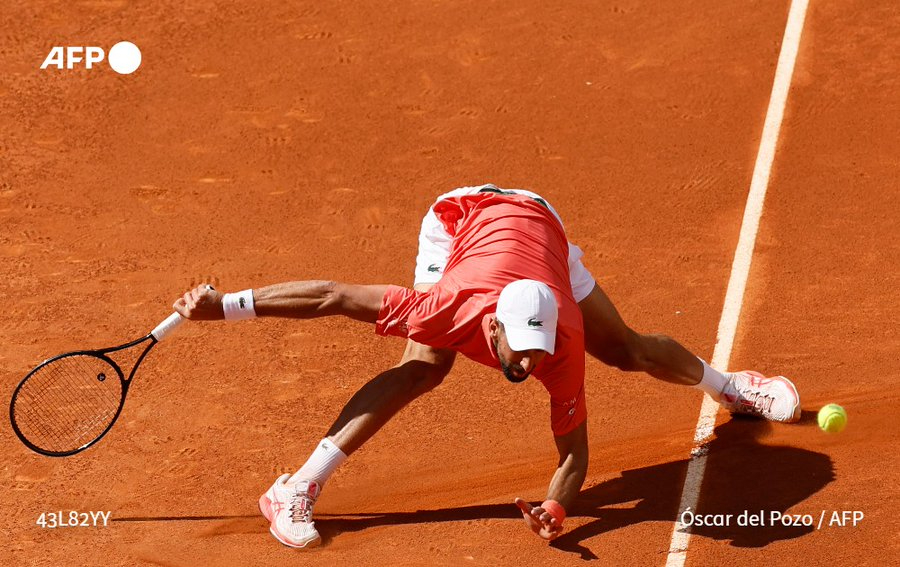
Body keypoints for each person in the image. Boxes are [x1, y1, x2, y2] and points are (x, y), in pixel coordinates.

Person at [174, 184, 801, 549]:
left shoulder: (560, 342)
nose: (527, 362)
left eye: (539, 347)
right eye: (518, 347)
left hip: (538, 225)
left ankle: (735, 388)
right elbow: (334, 295)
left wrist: (556, 511)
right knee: (424, 366)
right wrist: (225, 307)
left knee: (629, 349)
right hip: (461, 221)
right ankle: (297, 486)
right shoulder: (444, 307)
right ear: (492, 327)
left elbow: (573, 459)